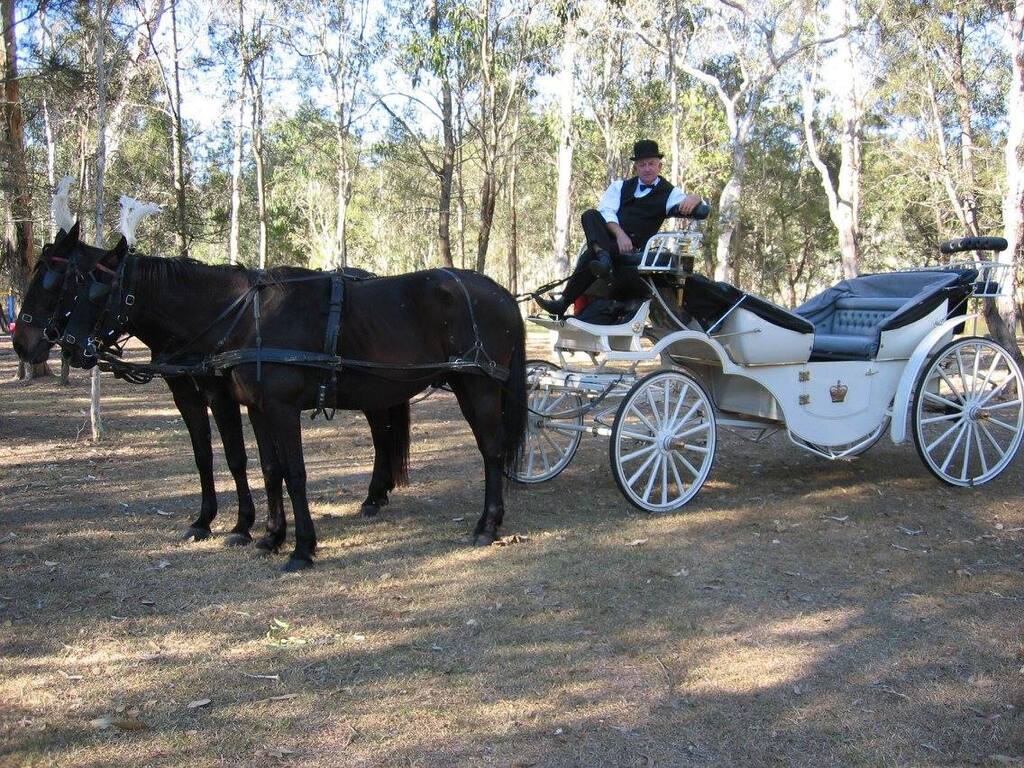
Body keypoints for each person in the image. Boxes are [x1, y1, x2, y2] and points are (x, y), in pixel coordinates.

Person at [537, 139, 704, 318]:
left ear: (659, 166)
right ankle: (604, 257)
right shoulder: (619, 187)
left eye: (651, 164)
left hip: (632, 249)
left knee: (590, 255)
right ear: (636, 167)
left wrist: (696, 198)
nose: (647, 168)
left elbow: (699, 209)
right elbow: (606, 212)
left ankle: (564, 301)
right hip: (610, 241)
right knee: (590, 214)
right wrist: (619, 234)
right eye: (642, 164)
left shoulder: (670, 193)